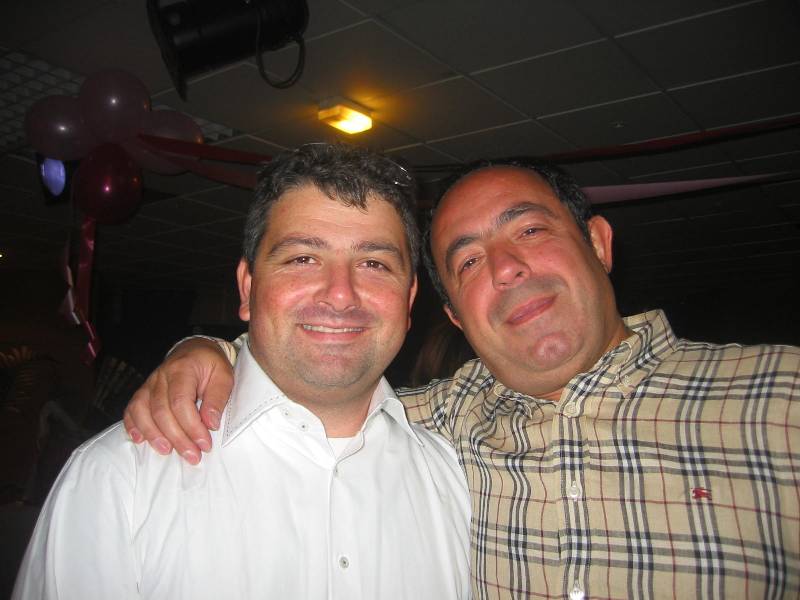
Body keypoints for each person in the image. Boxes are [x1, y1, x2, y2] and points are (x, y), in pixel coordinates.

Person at [123, 157, 800, 600]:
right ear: (452, 313)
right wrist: (212, 350)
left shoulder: (781, 398)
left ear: (598, 243)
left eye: (529, 231)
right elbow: (319, 372)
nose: (505, 268)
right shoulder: (429, 428)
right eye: (469, 261)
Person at [13, 144, 471, 599]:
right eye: (302, 258)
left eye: (374, 263)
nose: (340, 294)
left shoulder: (455, 478)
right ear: (247, 287)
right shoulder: (119, 476)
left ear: (409, 300)